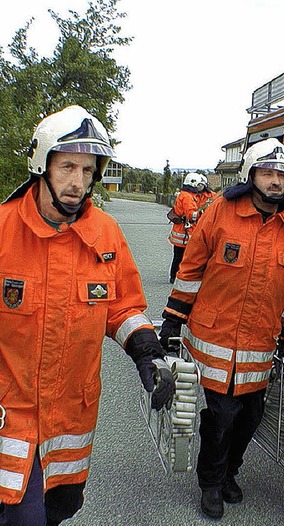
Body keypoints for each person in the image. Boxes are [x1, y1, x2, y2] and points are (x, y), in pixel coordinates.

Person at [0, 105, 175, 526]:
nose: (78, 182)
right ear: (41, 163)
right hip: (9, 417)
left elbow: (125, 307)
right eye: (67, 167)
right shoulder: (3, 230)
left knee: (55, 510)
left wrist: (147, 356)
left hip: (70, 418)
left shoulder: (106, 235)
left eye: (87, 169)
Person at [159, 138, 284, 520]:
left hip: (259, 345)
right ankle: (210, 482)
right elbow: (191, 268)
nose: (275, 181)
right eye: (267, 173)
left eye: (281, 175)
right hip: (214, 338)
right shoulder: (221, 212)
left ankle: (231, 472)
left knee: (249, 417)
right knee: (221, 416)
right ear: (249, 176)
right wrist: (173, 318)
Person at [168, 172, 202, 284]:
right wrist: (202, 213)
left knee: (177, 256)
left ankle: (173, 276)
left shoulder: (184, 194)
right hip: (184, 232)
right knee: (181, 257)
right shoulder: (187, 197)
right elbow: (191, 215)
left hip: (179, 230)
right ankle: (175, 277)